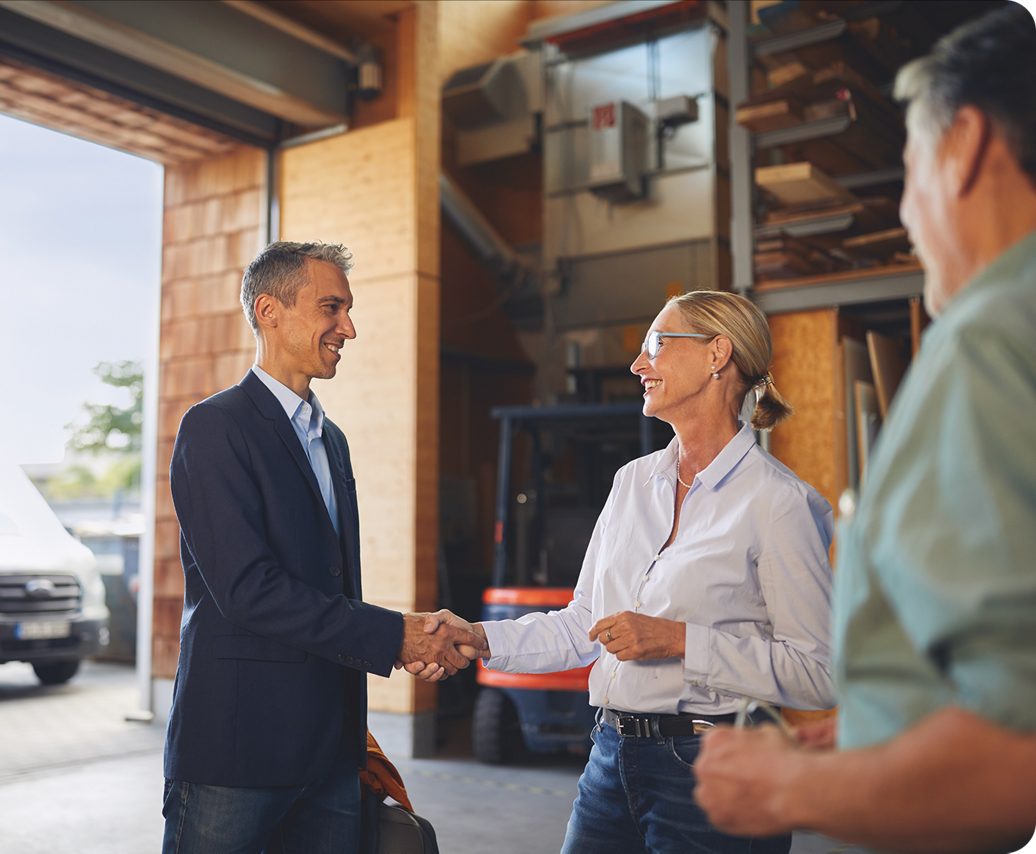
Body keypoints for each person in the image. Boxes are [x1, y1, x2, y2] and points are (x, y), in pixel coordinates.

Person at [691, 6, 1036, 852]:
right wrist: (887, 726)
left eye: (909, 169)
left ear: (965, 147)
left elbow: (1016, 749)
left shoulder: (992, 336)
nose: (910, 218)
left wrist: (788, 785)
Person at [413, 290, 836, 853]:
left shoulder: (779, 503)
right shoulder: (631, 483)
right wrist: (478, 636)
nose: (639, 365)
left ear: (717, 355)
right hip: (610, 759)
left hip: (717, 768)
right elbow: (584, 623)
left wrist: (680, 641)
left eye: (656, 345)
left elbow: (817, 671)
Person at [162, 241, 482, 854]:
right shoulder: (215, 427)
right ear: (269, 310)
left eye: (349, 310)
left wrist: (401, 642)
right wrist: (397, 636)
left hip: (332, 752)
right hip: (238, 750)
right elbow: (249, 590)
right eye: (331, 308)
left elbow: (329, 585)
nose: (349, 328)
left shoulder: (331, 440)